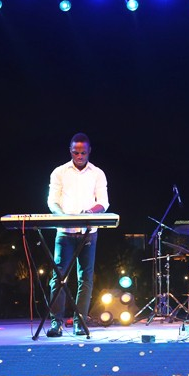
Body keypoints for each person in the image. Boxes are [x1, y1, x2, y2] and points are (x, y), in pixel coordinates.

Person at [46, 132, 110, 337]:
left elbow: (104, 202)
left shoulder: (97, 173)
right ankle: (56, 323)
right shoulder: (59, 172)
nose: (80, 156)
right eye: (76, 152)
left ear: (89, 151)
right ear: (70, 151)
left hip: (88, 232)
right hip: (64, 232)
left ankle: (79, 322)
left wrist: (89, 212)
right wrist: (61, 216)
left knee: (85, 278)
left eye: (83, 152)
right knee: (59, 277)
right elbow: (52, 200)